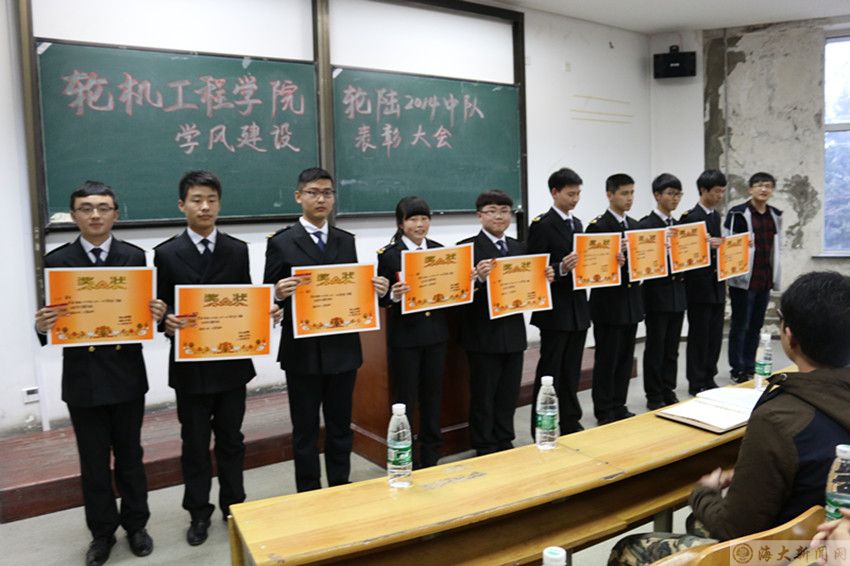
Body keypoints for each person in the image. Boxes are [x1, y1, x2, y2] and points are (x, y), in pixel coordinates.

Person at [609, 271, 850, 565]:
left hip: (775, 554)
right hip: (821, 540)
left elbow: (734, 528)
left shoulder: (778, 419)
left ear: (789, 336)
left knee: (628, 548)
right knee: (698, 521)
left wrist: (702, 492)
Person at [34, 181, 165, 566]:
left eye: (103, 208)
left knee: (130, 457)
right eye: (86, 208)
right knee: (92, 463)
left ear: (115, 214)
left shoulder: (134, 257)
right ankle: (102, 534)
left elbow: (144, 316)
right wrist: (41, 326)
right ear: (74, 215)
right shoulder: (58, 261)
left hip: (126, 374)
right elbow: (50, 322)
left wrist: (156, 315)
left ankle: (136, 525)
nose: (95, 215)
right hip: (83, 379)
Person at [155, 171, 278, 546]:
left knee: (232, 440)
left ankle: (234, 506)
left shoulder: (236, 249)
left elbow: (245, 299)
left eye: (211, 199)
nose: (204, 206)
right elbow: (160, 308)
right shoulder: (166, 253)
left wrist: (264, 313)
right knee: (194, 445)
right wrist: (166, 321)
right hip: (190, 367)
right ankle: (198, 513)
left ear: (219, 204)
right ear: (182, 205)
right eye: (196, 200)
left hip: (231, 365)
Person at [263, 167, 389, 491]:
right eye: (313, 193)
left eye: (327, 193)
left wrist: (375, 289)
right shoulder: (281, 242)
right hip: (301, 352)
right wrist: (277, 293)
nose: (321, 199)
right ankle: (308, 492)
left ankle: (340, 486)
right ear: (298, 196)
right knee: (305, 430)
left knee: (340, 425)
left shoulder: (345, 240)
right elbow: (268, 293)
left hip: (342, 348)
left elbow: (350, 289)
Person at [458, 190, 553, 455]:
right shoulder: (466, 249)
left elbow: (528, 286)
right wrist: (477, 279)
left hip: (513, 332)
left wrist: (544, 276)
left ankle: (504, 437)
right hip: (482, 334)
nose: (499, 216)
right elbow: (458, 293)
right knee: (484, 393)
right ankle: (483, 443)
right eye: (491, 211)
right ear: (479, 216)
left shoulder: (519, 248)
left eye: (504, 211)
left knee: (508, 392)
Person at [377, 196, 448, 468]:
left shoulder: (440, 251)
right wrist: (394, 295)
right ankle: (405, 455)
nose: (420, 225)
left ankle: (431, 455)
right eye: (413, 219)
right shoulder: (389, 255)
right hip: (405, 338)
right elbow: (382, 299)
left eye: (424, 218)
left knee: (433, 396)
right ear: (401, 223)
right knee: (404, 399)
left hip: (436, 335)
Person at [527, 168, 590, 435]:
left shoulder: (578, 224)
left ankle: (571, 419)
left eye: (578, 194)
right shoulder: (542, 225)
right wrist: (561, 268)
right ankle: (542, 424)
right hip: (555, 310)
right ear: (555, 192)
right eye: (570, 194)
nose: (575, 199)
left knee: (572, 369)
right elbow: (534, 266)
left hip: (578, 308)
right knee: (550, 371)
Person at [585, 174, 643, 425]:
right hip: (609, 305)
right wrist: (613, 259)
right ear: (610, 195)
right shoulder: (598, 227)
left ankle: (619, 404)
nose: (629, 198)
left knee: (625, 358)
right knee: (607, 359)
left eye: (632, 193)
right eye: (624, 193)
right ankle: (604, 409)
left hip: (631, 301)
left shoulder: (636, 226)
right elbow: (591, 268)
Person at [724, 172, 783, 383]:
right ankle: (737, 368)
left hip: (764, 278)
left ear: (772, 190)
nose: (763, 189)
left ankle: (749, 365)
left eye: (768, 186)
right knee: (741, 324)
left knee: (756, 325)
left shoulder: (775, 215)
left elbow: (777, 247)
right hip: (743, 280)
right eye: (759, 185)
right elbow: (727, 243)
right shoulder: (738, 213)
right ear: (750, 189)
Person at [638, 173, 687, 410]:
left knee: (672, 348)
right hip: (656, 295)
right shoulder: (645, 226)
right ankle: (654, 394)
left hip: (678, 294)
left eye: (678, 194)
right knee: (656, 348)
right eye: (670, 194)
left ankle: (669, 388)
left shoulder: (680, 227)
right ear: (657, 196)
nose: (674, 198)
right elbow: (641, 262)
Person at [679, 169, 726, 395]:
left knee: (715, 336)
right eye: (716, 191)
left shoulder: (716, 216)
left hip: (717, 285)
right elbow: (683, 254)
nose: (720, 196)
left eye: (722, 191)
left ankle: (709, 375)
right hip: (698, 287)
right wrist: (706, 246)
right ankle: (696, 380)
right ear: (703, 190)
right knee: (699, 336)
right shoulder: (690, 217)